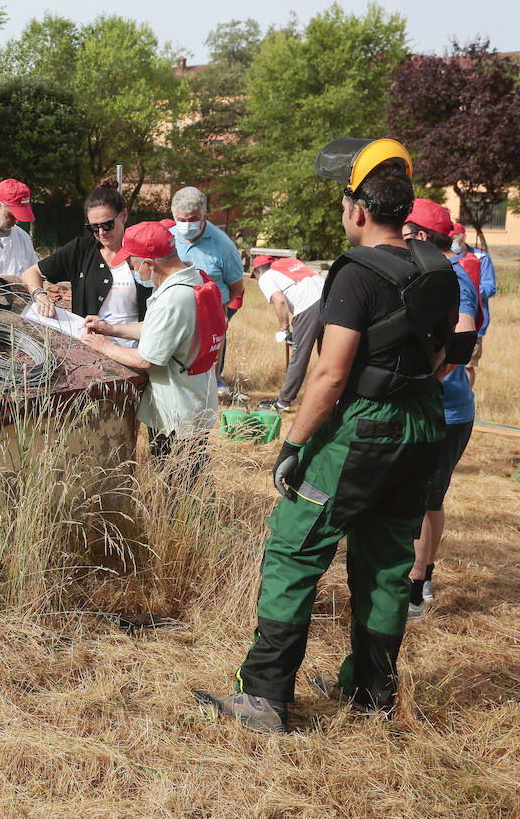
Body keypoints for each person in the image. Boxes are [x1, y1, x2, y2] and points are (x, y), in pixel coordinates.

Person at [194, 138, 461, 732]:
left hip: (361, 430)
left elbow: (331, 371)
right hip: (424, 423)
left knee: (295, 547)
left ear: (359, 210)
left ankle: (264, 696)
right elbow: (448, 355)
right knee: (390, 558)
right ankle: (371, 691)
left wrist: (292, 445)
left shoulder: (356, 272)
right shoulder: (440, 267)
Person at [78, 221, 222, 472]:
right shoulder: (193, 279)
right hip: (196, 398)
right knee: (192, 473)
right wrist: (110, 328)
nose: (130, 268)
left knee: (180, 480)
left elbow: (147, 359)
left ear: (149, 263)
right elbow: (157, 330)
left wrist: (105, 346)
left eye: (132, 263)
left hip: (177, 411)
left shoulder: (173, 299)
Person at [403, 200, 480, 618]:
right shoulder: (436, 272)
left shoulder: (452, 278)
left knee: (422, 500)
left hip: (445, 412)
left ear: (418, 235)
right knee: (432, 499)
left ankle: (414, 592)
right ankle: (424, 576)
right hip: (448, 410)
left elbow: (463, 341)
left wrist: (430, 381)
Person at [19, 179, 149, 344]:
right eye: (93, 227)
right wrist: (40, 296)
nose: (101, 233)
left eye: (107, 225)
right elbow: (31, 273)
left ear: (123, 216)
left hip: (129, 351)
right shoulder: (81, 249)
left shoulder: (143, 253)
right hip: (87, 349)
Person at [169, 186, 245, 396]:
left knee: (206, 372)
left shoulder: (224, 246)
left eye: (193, 219)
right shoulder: (167, 237)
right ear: (173, 215)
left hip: (211, 314)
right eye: (182, 219)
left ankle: (211, 390)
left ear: (204, 215)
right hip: (174, 312)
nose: (187, 225)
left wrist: (218, 312)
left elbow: (236, 287)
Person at [250, 253, 323, 414]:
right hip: (329, 297)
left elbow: (280, 300)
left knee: (299, 357)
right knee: (328, 355)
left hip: (308, 307)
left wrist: (285, 330)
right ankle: (335, 397)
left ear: (258, 272)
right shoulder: (289, 263)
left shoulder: (265, 277)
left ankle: (283, 402)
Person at [449, 221, 495, 386]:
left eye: (455, 239)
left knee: (467, 365)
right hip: (449, 322)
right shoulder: (445, 256)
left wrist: (469, 288)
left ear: (463, 237)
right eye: (449, 239)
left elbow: (490, 287)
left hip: (474, 323)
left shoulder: (481, 257)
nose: (452, 243)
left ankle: (466, 395)